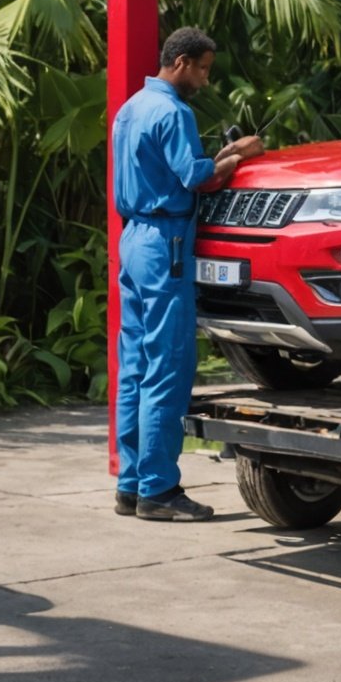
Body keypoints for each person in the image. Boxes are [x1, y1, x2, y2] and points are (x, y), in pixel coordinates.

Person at [112, 27, 263, 521]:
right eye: (202, 68)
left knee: (135, 365)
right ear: (181, 62)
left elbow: (175, 169)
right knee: (168, 365)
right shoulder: (175, 112)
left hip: (133, 239)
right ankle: (159, 490)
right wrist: (239, 155)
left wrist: (218, 158)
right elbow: (195, 177)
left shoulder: (130, 109)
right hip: (167, 244)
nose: (204, 79)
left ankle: (131, 484)